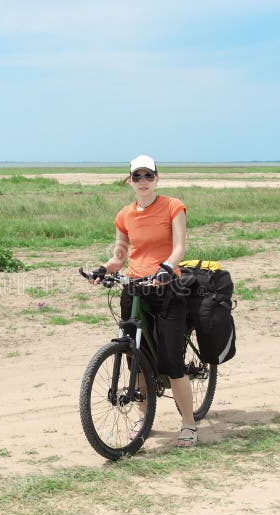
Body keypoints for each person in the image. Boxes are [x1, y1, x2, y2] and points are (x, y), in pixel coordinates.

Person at [89, 154, 197, 447]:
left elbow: (179, 248)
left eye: (148, 175)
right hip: (135, 289)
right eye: (137, 176)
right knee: (133, 358)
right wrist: (104, 269)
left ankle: (188, 424)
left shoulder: (173, 207)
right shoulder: (124, 215)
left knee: (171, 361)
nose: (143, 181)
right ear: (129, 181)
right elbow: (119, 256)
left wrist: (164, 269)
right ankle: (142, 417)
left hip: (167, 288)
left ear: (157, 178)